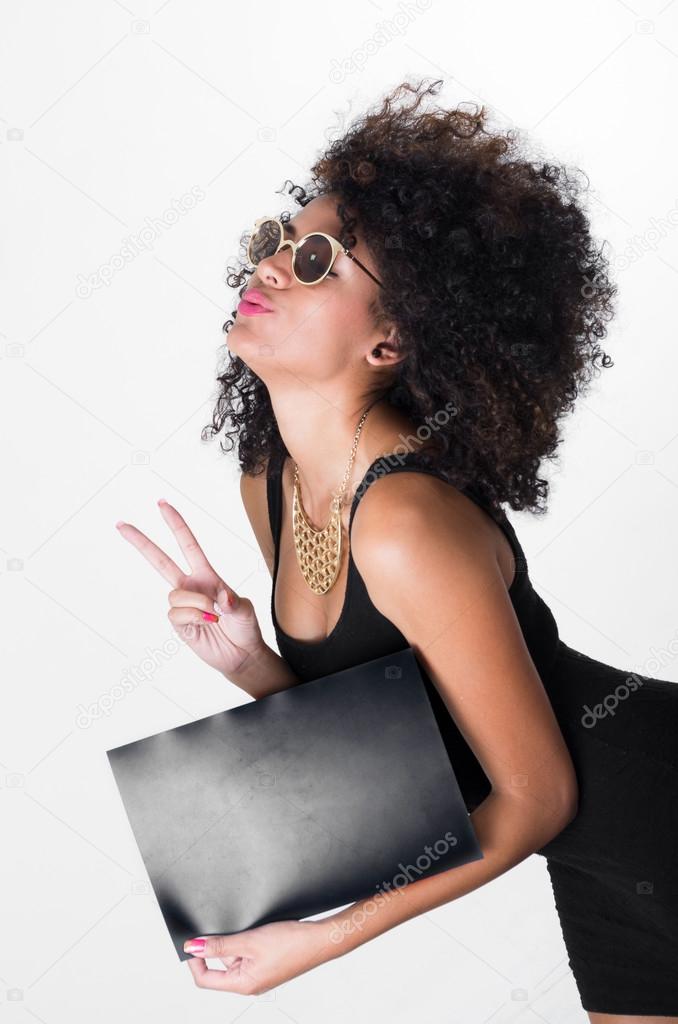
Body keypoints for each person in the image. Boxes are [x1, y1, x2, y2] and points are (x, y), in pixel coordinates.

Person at [116, 79, 678, 1019]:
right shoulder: (271, 480)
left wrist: (313, 943)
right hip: (604, 866)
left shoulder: (406, 522)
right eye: (280, 241)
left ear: (392, 339)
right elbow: (402, 746)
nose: (273, 265)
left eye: (320, 260)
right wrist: (252, 663)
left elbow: (534, 796)